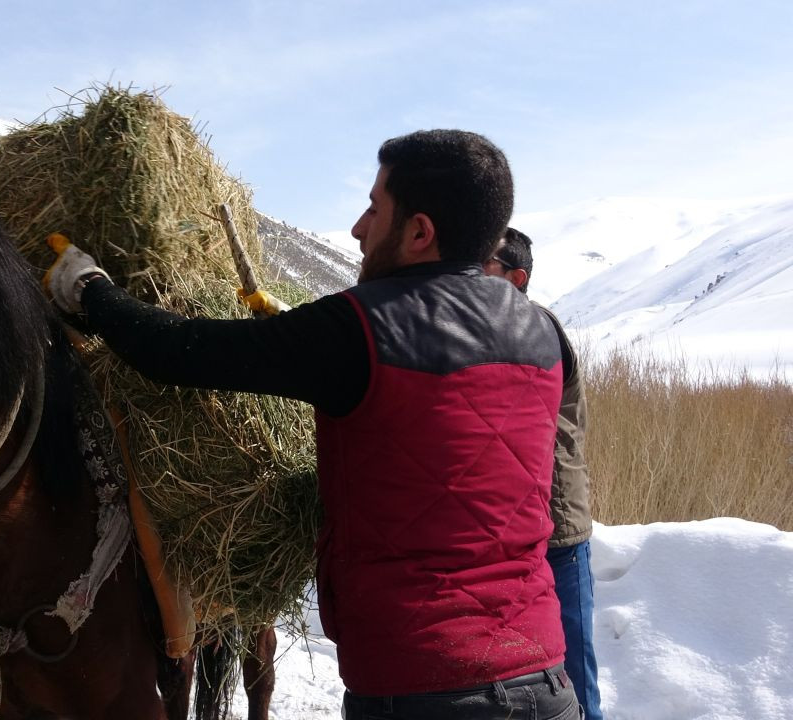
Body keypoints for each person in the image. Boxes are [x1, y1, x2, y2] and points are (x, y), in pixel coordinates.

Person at [44, 129, 581, 719]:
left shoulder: (363, 328)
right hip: (545, 682)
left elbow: (181, 351)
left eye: (375, 209)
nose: (357, 228)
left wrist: (92, 292)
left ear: (420, 232)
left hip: (422, 688)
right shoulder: (544, 335)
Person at [486, 227, 603, 720]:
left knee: (572, 669)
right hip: (520, 528)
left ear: (517, 278)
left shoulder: (536, 329)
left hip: (558, 529)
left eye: (484, 267)